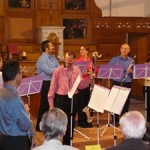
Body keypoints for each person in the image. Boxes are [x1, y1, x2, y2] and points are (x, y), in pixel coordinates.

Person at [48, 50, 91, 145]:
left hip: (73, 99)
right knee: (59, 125)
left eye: (70, 60)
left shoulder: (76, 70)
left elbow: (81, 86)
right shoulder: (58, 70)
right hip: (61, 99)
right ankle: (57, 145)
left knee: (70, 124)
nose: (67, 62)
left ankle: (68, 145)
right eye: (66, 60)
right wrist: (51, 105)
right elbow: (52, 89)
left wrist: (89, 79)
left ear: (74, 60)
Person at [0, 61, 38, 150]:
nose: (21, 75)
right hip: (17, 142)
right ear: (17, 75)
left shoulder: (1, 92)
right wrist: (25, 111)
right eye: (21, 73)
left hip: (4, 139)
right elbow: (25, 125)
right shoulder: (14, 98)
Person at [36, 40, 59, 131]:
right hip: (45, 83)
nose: (53, 47)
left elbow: (59, 67)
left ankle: (51, 125)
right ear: (46, 48)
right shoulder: (41, 59)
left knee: (53, 104)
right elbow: (49, 71)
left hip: (53, 82)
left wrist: (56, 69)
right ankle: (39, 126)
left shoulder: (53, 57)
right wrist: (57, 70)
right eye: (51, 45)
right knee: (44, 105)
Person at [108, 43, 134, 126]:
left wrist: (131, 72)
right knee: (115, 103)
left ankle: (124, 121)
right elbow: (108, 70)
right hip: (117, 82)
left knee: (125, 103)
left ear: (129, 51)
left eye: (126, 48)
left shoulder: (131, 60)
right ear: (120, 49)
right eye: (123, 48)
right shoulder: (114, 59)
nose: (124, 50)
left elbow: (135, 74)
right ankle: (115, 121)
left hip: (127, 83)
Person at [76, 45, 97, 128]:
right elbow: (76, 73)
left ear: (87, 51)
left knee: (88, 103)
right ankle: (81, 121)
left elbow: (95, 70)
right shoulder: (78, 61)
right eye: (80, 50)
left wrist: (94, 73)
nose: (81, 51)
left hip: (89, 84)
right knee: (81, 103)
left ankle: (88, 120)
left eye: (83, 49)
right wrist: (83, 73)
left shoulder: (91, 61)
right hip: (81, 84)